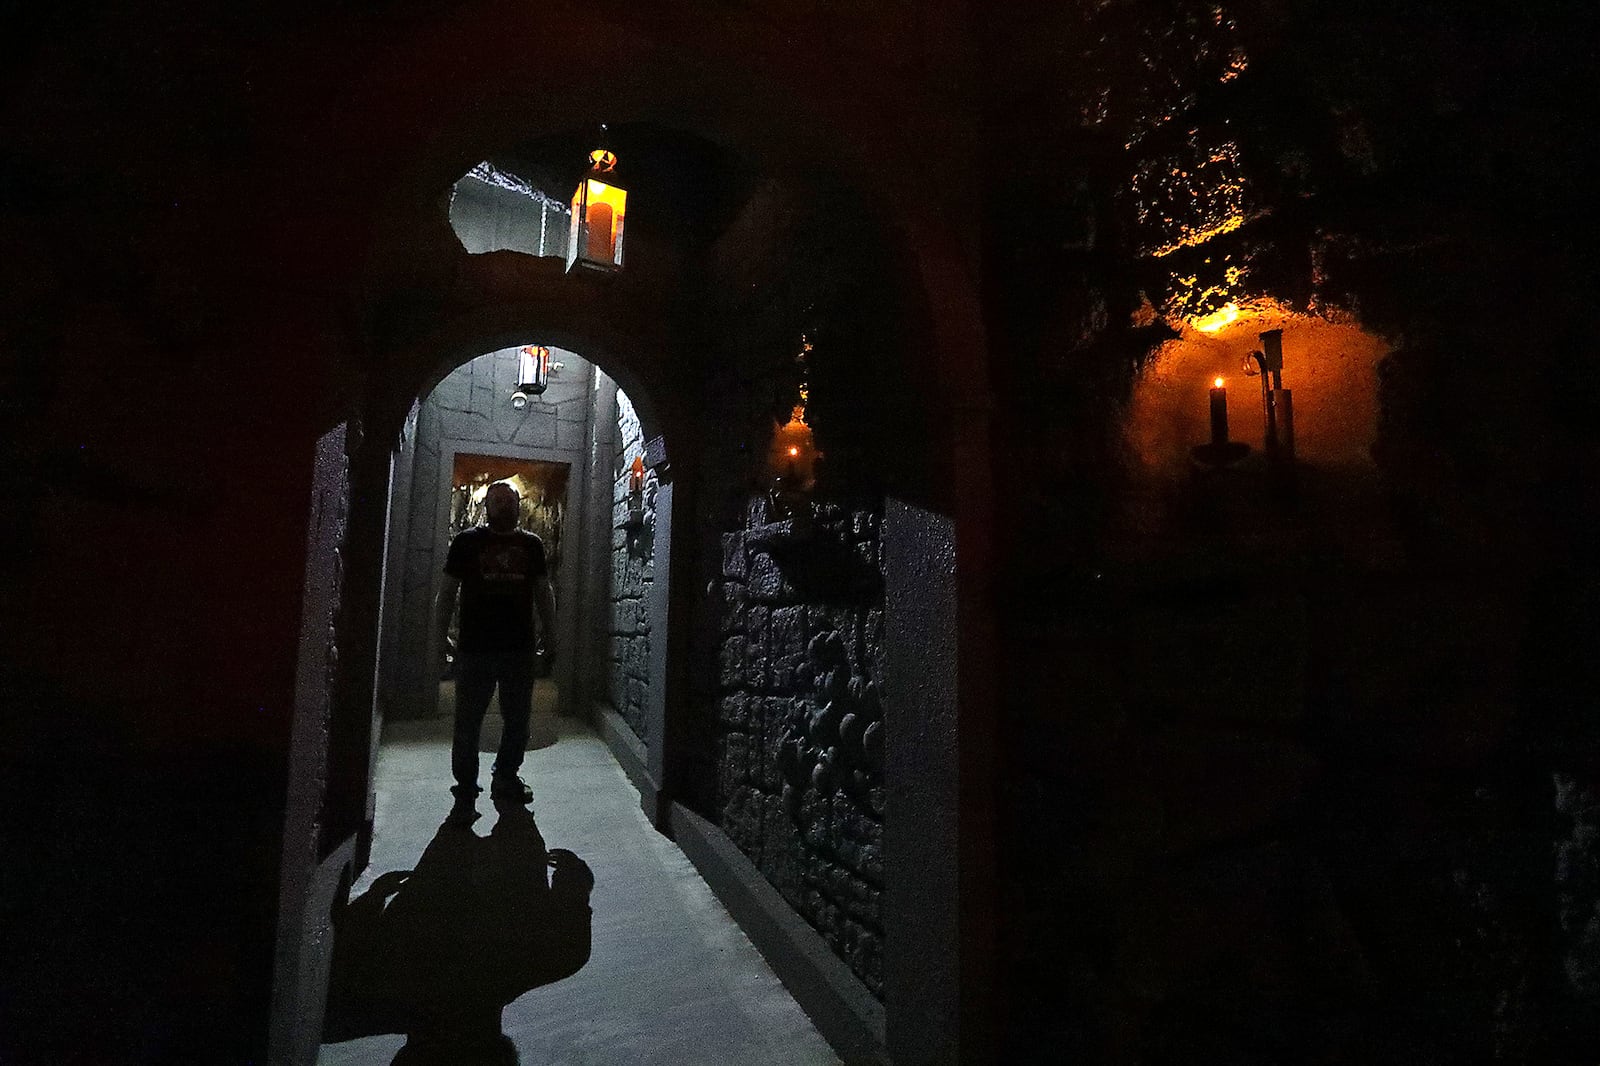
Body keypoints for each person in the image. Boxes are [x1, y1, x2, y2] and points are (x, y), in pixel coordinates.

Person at [435, 481, 556, 806]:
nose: (504, 506)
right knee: (467, 723)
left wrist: (551, 634)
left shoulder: (532, 545)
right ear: (487, 506)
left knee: (518, 720)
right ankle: (465, 790)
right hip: (475, 648)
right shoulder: (467, 542)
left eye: (509, 500)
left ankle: (506, 776)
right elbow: (447, 591)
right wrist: (440, 635)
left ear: (518, 504)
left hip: (519, 648)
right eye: (497, 501)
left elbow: (544, 592)